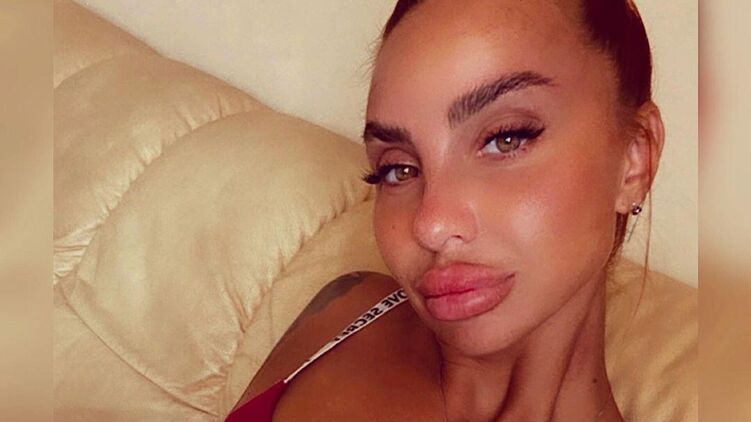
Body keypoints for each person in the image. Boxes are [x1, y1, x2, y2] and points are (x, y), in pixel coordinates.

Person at [228, 0, 664, 420]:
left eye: (505, 139)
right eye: (398, 169)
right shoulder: (344, 311)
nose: (430, 225)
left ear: (635, 160)